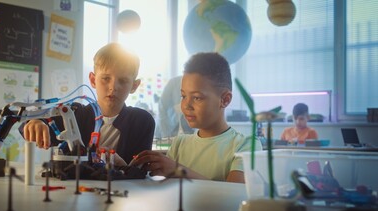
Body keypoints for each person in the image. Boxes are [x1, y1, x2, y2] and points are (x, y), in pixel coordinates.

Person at [130, 52, 262, 183]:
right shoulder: (179, 144)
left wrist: (179, 171)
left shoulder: (246, 145)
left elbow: (234, 194)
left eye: (197, 97)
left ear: (225, 99)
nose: (186, 105)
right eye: (183, 96)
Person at [21, 43, 155, 164]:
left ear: (134, 86)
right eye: (106, 78)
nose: (113, 87)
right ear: (93, 80)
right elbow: (25, 127)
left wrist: (123, 166)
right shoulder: (75, 114)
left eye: (123, 81)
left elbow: (140, 171)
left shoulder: (142, 122)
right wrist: (35, 123)